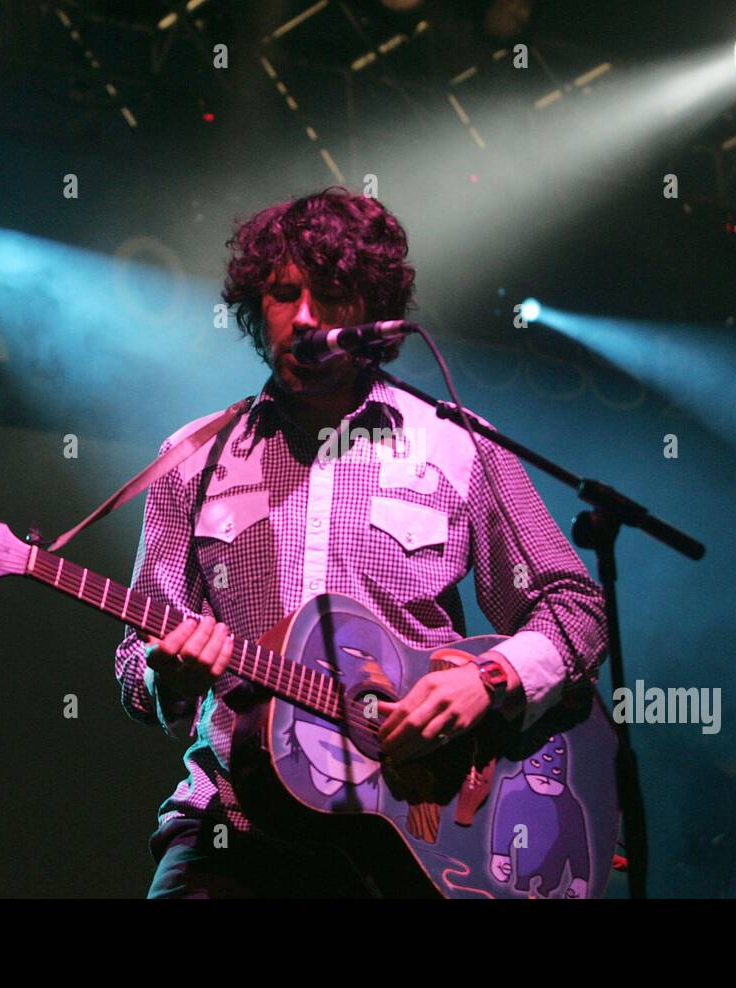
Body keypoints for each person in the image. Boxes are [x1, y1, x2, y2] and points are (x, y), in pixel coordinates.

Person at [114, 186, 608, 898]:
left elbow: (573, 607)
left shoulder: (455, 442)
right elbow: (135, 664)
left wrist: (486, 679)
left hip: (417, 833)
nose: (306, 318)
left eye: (333, 296)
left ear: (373, 313)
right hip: (234, 825)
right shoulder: (192, 459)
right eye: (284, 295)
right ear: (257, 308)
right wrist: (170, 672)